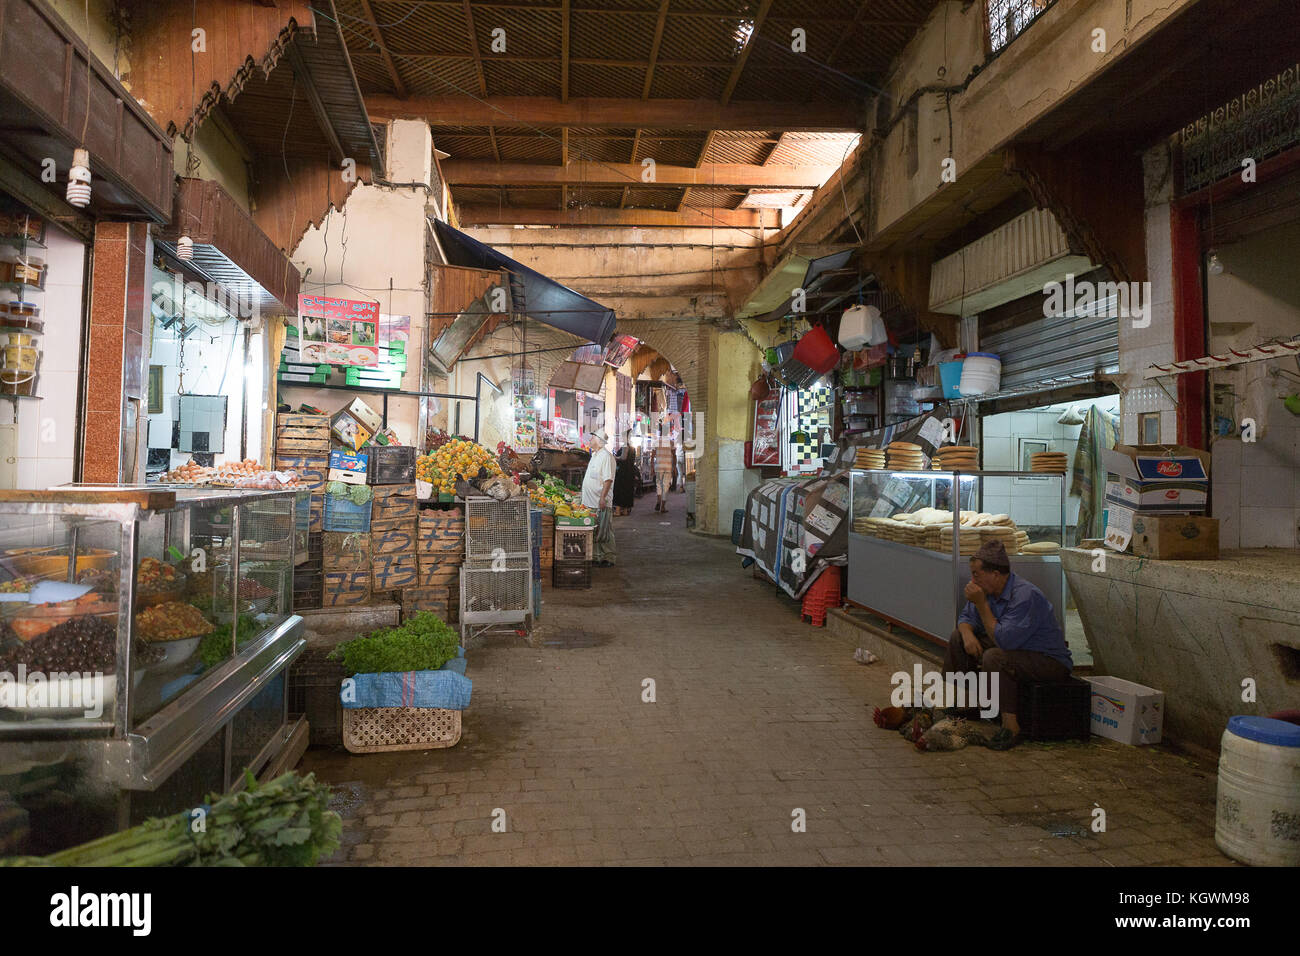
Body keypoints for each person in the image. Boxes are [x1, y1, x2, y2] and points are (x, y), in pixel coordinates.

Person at [944, 539, 1072, 750]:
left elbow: (1005, 641)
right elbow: (966, 618)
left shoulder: (1025, 596)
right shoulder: (986, 591)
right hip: (1016, 650)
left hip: (1047, 660)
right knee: (957, 637)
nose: (972, 579)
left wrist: (982, 605)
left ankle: (1011, 727)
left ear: (995, 574)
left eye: (977, 574)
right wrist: (967, 634)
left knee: (995, 657)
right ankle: (969, 705)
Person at [581, 428, 616, 566]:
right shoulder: (595, 455)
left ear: (599, 441)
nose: (589, 441)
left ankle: (609, 557)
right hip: (590, 502)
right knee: (595, 530)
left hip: (600, 501)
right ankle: (597, 556)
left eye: (592, 438)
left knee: (605, 530)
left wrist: (602, 498)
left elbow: (608, 480)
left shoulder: (606, 457)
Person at [651, 419, 675, 513]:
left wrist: (652, 467)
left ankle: (658, 501)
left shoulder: (656, 442)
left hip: (658, 466)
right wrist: (674, 467)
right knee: (666, 486)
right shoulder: (671, 442)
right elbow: (675, 456)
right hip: (668, 466)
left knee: (658, 485)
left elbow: (652, 456)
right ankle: (663, 507)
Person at [612, 429, 638, 516]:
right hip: (630, 472)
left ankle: (618, 511)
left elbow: (623, 457)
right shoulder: (633, 447)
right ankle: (625, 510)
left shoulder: (625, 446)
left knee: (620, 489)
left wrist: (615, 457)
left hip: (623, 472)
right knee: (628, 490)